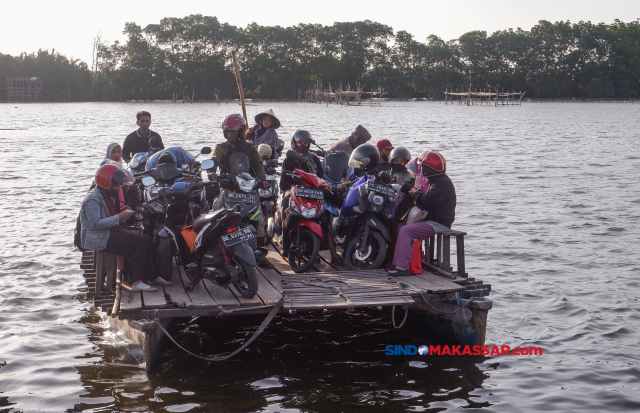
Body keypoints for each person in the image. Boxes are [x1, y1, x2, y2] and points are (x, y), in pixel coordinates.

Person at [80, 164, 172, 291]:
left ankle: (153, 275)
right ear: (106, 183)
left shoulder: (107, 196)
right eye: (116, 185)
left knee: (147, 239)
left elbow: (113, 216)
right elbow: (95, 224)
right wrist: (119, 217)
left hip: (109, 232)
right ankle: (137, 282)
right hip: (98, 237)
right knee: (139, 243)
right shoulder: (93, 199)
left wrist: (128, 215)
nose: (119, 188)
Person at [208, 114, 272, 268]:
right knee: (215, 215)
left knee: (260, 220)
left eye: (233, 131)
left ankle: (260, 254)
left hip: (247, 190)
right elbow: (214, 159)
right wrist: (212, 171)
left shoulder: (250, 148)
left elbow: (258, 166)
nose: (230, 134)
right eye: (227, 131)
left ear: (241, 130)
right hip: (228, 189)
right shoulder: (221, 148)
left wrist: (263, 179)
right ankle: (214, 249)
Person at [281, 130, 345, 266]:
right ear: (294, 144)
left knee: (324, 218)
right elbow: (283, 183)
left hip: (313, 192)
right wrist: (294, 185)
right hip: (296, 192)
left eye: (305, 143)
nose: (303, 145)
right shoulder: (290, 159)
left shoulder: (314, 159)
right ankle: (285, 246)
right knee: (288, 210)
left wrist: (325, 187)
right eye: (300, 143)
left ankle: (334, 255)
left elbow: (321, 178)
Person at [387, 151, 456, 275]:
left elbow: (427, 202)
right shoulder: (435, 181)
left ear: (429, 169)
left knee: (405, 231)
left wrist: (415, 194)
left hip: (439, 222)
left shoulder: (442, 183)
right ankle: (399, 261)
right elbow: (425, 196)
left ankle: (403, 267)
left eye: (423, 167)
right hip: (431, 219)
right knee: (400, 227)